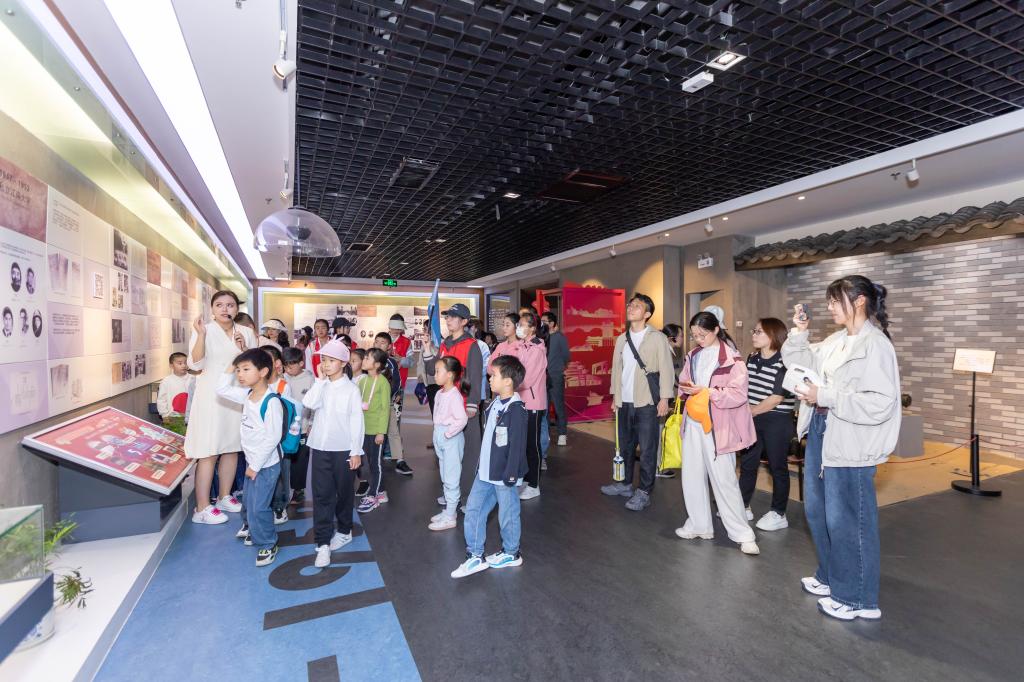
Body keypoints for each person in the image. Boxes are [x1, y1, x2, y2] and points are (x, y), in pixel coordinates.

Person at [783, 276, 900, 621]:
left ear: (859, 301)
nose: (830, 307)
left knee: (849, 519)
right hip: (823, 429)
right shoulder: (837, 340)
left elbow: (880, 402)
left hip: (851, 438)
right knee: (818, 511)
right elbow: (801, 362)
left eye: (836, 301)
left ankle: (856, 597)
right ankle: (831, 576)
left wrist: (826, 395)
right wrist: (800, 332)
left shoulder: (876, 345)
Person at [675, 308, 760, 556]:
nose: (698, 339)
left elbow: (738, 395)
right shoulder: (693, 355)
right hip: (693, 422)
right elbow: (683, 382)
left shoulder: (732, 359)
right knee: (692, 475)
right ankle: (699, 524)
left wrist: (709, 392)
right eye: (694, 335)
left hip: (718, 427)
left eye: (702, 335)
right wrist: (687, 388)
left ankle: (743, 534)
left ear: (716, 330)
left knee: (724, 480)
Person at [451, 355, 528, 579]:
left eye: (494, 375)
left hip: (504, 474)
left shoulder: (516, 410)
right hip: (485, 472)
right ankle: (475, 555)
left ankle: (512, 553)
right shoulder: (494, 404)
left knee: (508, 514)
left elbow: (517, 446)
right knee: (473, 510)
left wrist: (511, 474)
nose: (490, 379)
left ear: (508, 381)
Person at [185, 290, 257, 525]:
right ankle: (202, 507)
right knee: (209, 450)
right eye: (220, 305)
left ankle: (225, 496)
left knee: (232, 447)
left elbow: (255, 366)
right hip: (211, 398)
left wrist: (244, 349)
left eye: (230, 305)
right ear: (212, 309)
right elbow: (195, 364)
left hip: (236, 396)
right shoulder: (204, 330)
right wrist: (200, 335)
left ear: (237, 308)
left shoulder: (246, 332)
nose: (225, 309)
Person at [599, 294, 674, 511]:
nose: (631, 308)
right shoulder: (622, 339)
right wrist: (615, 396)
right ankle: (624, 484)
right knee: (625, 446)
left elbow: (666, 369)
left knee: (648, 449)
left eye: (637, 306)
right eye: (630, 305)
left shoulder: (657, 338)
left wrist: (665, 398)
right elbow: (617, 369)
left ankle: (644, 491)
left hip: (647, 401)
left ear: (647, 314)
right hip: (624, 401)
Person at [215, 349, 282, 566]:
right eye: (238, 370)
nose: (239, 374)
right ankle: (254, 529)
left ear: (263, 372)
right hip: (254, 463)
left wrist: (255, 465)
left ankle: (268, 543)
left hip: (266, 465)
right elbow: (221, 389)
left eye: (245, 369)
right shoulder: (247, 395)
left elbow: (272, 438)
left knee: (259, 506)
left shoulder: (271, 402)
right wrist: (231, 363)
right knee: (249, 503)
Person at [302, 339, 364, 569]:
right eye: (324, 360)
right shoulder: (321, 385)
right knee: (321, 495)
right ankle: (322, 544)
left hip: (344, 450)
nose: (326, 364)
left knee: (344, 493)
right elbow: (308, 403)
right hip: (319, 448)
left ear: (343, 363)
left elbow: (357, 422)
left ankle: (345, 531)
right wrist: (319, 381)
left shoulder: (351, 389)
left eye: (331, 360)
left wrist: (356, 451)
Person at [739, 317, 796, 531]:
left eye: (759, 332)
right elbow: (746, 388)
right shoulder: (752, 358)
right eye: (754, 331)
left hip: (776, 420)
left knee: (777, 467)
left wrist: (749, 411)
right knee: (748, 464)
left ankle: (779, 513)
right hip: (754, 417)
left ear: (773, 335)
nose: (754, 335)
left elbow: (776, 398)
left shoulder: (785, 362)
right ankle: (743, 505)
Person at [490, 313, 547, 500]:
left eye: (522, 324)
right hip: (520, 402)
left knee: (532, 444)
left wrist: (507, 384)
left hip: (533, 403)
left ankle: (534, 484)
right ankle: (525, 479)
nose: (519, 328)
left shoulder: (537, 349)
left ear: (532, 328)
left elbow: (527, 379)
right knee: (521, 443)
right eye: (519, 324)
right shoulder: (522, 346)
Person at [439, 304, 485, 477]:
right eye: (447, 316)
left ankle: (469, 490)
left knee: (470, 451)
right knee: (449, 450)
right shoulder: (445, 344)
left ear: (464, 321)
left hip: (465, 405)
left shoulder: (472, 345)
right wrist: (428, 351)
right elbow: (434, 371)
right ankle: (452, 487)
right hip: (447, 405)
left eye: (453, 317)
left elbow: (475, 376)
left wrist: (472, 403)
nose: (448, 320)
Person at [430, 357, 469, 531]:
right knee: (445, 476)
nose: (435, 374)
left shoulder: (454, 395)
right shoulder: (439, 393)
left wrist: (447, 434)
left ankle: (451, 515)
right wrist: (438, 435)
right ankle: (449, 511)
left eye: (438, 371)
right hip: (441, 437)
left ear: (450, 375)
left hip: (451, 439)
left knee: (451, 477)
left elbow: (462, 419)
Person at [261, 345, 296, 526]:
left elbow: (285, 414)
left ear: (277, 364)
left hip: (279, 439)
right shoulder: (256, 384)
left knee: (281, 473)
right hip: (260, 439)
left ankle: (280, 507)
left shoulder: (283, 386)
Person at [356, 348, 392, 513]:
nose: (363, 360)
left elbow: (385, 409)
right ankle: (381, 491)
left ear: (377, 364)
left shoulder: (383, 382)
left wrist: (381, 432)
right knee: (370, 463)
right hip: (364, 429)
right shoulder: (363, 381)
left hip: (376, 431)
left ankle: (373, 495)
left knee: (376, 464)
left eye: (367, 358)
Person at [374, 331, 413, 475]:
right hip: (370, 406)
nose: (379, 345)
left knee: (394, 431)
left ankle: (399, 460)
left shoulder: (391, 362)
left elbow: (397, 382)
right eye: (376, 342)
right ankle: (370, 462)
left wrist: (390, 396)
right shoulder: (368, 360)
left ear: (389, 346)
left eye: (382, 342)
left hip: (387, 404)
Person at [282, 347, 314, 506]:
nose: (288, 369)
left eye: (291, 366)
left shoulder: (310, 379)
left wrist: (311, 424)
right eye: (285, 366)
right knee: (285, 459)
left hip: (302, 427)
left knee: (299, 460)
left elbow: (314, 405)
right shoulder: (283, 378)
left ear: (301, 363)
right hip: (285, 428)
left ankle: (298, 490)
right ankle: (283, 491)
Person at [656, 323, 686, 480]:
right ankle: (658, 467)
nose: (682, 339)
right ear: (671, 338)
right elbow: (665, 378)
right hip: (661, 400)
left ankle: (658, 465)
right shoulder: (665, 352)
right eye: (681, 335)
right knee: (660, 432)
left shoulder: (666, 351)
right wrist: (665, 401)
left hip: (661, 398)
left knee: (660, 432)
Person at [541, 311, 569, 447]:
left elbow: (566, 356)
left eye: (544, 321)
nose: (542, 324)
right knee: (544, 407)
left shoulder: (560, 337)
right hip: (542, 377)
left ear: (552, 323)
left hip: (555, 376)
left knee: (558, 406)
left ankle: (562, 434)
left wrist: (557, 368)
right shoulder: (541, 337)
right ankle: (545, 434)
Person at [157, 352, 195, 435]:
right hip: (173, 417)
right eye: (180, 363)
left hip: (191, 416)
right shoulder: (166, 381)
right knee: (175, 436)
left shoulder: (193, 379)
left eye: (185, 363)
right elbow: (161, 400)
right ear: (171, 366)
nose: (183, 365)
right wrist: (164, 415)